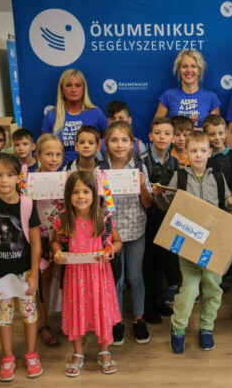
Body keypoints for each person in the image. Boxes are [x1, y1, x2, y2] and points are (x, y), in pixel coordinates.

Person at [153, 131, 232, 354]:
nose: (198, 155)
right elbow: (169, 209)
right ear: (185, 154)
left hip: (214, 243)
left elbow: (224, 205)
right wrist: (159, 195)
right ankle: (179, 327)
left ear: (210, 152)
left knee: (213, 288)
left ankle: (206, 328)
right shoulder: (180, 177)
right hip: (189, 243)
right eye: (193, 151)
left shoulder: (218, 174)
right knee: (190, 289)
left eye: (203, 151)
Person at [0, 153, 43, 381]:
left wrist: (34, 275)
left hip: (25, 272)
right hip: (0, 273)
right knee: (4, 317)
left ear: (18, 178)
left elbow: (35, 243)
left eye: (9, 175)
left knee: (29, 315)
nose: (4, 180)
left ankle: (31, 355)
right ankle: (8, 357)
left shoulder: (27, 204)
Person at [52, 171, 123, 377]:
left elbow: (117, 243)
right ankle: (77, 353)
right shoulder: (63, 218)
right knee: (76, 312)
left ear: (95, 194)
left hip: (100, 276)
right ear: (68, 195)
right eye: (75, 192)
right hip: (75, 277)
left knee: (101, 311)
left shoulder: (104, 218)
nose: (80, 196)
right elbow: (56, 241)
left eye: (85, 191)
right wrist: (57, 251)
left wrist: (110, 250)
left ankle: (104, 351)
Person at [95, 120, 154, 346]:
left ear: (132, 143)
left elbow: (147, 204)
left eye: (124, 140)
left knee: (135, 275)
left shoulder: (140, 167)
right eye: (114, 140)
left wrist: (142, 186)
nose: (119, 145)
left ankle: (138, 319)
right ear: (106, 144)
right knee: (115, 279)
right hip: (111, 233)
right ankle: (117, 320)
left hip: (136, 229)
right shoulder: (100, 170)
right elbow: (96, 206)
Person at [140, 117, 179, 324]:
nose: (162, 137)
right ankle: (147, 306)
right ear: (150, 136)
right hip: (147, 219)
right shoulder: (142, 160)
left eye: (166, 133)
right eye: (158, 133)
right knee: (149, 264)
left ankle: (158, 300)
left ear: (173, 137)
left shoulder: (174, 162)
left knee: (163, 262)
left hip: (168, 219)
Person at [33, 134, 65, 347]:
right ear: (38, 155)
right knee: (42, 282)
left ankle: (68, 320)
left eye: (58, 154)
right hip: (40, 237)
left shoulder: (66, 177)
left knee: (65, 280)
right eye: (49, 154)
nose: (54, 159)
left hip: (62, 236)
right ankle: (43, 324)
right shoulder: (30, 181)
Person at [42, 69, 107, 164]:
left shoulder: (96, 113)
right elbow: (46, 148)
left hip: (90, 171)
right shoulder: (51, 115)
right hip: (60, 172)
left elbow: (107, 141)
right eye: (68, 85)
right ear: (62, 89)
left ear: (84, 88)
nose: (73, 90)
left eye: (77, 85)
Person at [154, 49, 221, 128]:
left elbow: (215, 131)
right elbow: (156, 127)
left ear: (199, 71)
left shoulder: (211, 97)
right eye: (184, 66)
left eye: (193, 66)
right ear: (179, 70)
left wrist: (192, 133)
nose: (189, 70)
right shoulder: (168, 96)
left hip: (201, 140)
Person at [203, 114, 232, 195]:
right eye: (212, 134)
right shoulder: (202, 156)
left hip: (228, 201)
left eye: (221, 133)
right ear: (205, 134)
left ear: (226, 133)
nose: (217, 137)